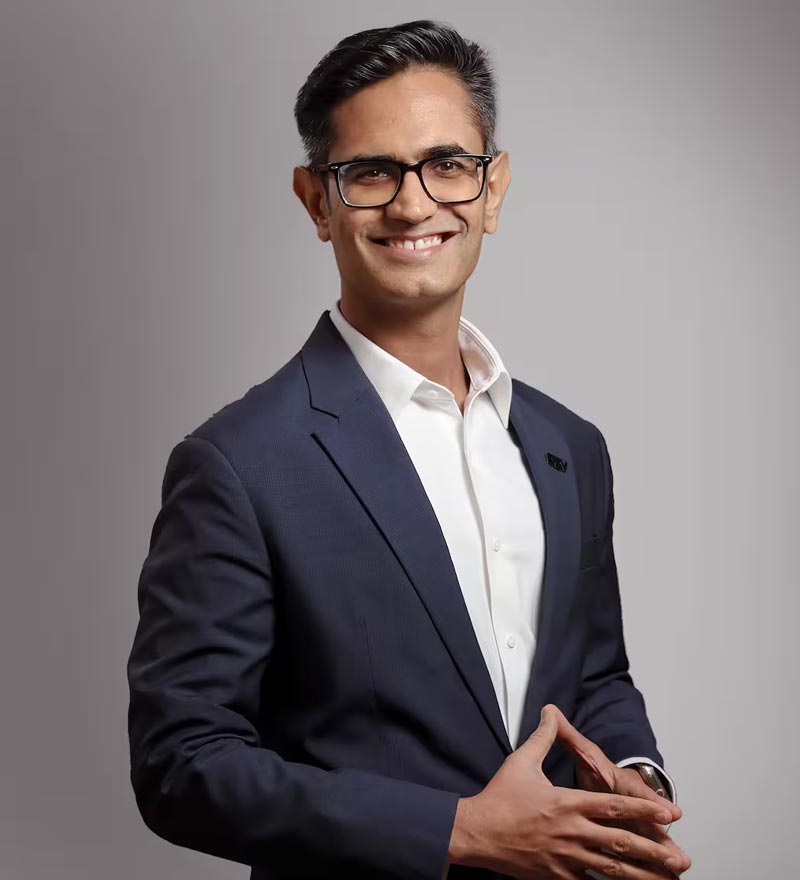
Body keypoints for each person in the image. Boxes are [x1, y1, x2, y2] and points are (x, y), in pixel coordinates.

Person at [127, 19, 691, 880]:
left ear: (492, 188)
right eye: (370, 172)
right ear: (317, 201)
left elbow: (596, 675)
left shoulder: (569, 447)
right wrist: (457, 831)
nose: (413, 204)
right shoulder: (238, 465)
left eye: (447, 164)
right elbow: (181, 764)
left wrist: (633, 782)